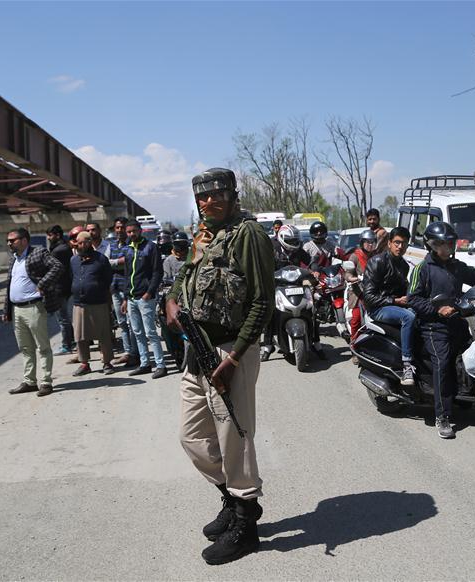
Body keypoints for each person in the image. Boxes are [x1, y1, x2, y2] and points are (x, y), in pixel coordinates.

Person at [166, 167, 274, 565]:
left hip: (231, 352)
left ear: (232, 195)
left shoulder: (248, 235)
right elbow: (185, 279)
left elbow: (262, 302)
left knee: (235, 438)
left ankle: (246, 523)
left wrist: (235, 357)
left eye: (216, 196)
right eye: (202, 198)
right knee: (192, 437)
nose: (208, 203)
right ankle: (232, 499)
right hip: (198, 352)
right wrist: (172, 300)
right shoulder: (204, 235)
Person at [408, 221, 475, 439]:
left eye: (450, 244)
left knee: (470, 357)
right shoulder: (422, 269)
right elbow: (413, 299)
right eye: (441, 245)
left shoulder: (457, 266)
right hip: (433, 327)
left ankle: (464, 396)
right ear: (431, 246)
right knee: (443, 366)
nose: (447, 248)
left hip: (458, 323)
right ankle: (442, 416)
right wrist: (437, 310)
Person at [2, 227, 63, 397]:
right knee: (25, 348)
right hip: (17, 310)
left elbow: (57, 267)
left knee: (42, 346)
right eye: (8, 240)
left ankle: (46, 382)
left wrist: (42, 284)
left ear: (24, 240)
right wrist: (6, 309)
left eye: (12, 240)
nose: (9, 243)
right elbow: (9, 286)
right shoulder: (13, 259)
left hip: (34, 307)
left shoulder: (38, 253)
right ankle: (29, 381)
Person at [360, 226, 416, 386]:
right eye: (397, 242)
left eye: (404, 243)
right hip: (377, 309)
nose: (400, 246)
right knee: (408, 317)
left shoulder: (404, 265)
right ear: (389, 243)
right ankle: (406, 366)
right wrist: (395, 301)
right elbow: (369, 297)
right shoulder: (377, 262)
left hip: (394, 306)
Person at [121, 219, 167, 379]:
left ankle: (161, 365)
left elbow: (157, 272)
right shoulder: (127, 249)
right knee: (137, 332)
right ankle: (145, 363)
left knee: (150, 333)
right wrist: (126, 297)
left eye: (134, 231)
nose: (131, 234)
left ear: (140, 231)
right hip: (132, 298)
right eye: (129, 232)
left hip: (145, 297)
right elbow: (127, 275)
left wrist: (149, 292)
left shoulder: (150, 247)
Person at [261, 224, 313, 361]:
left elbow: (310, 262)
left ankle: (316, 342)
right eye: (290, 241)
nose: (293, 244)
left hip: (297, 285)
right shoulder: (272, 248)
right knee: (270, 313)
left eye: (295, 241)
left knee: (311, 309)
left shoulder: (298, 251)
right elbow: (263, 265)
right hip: (277, 286)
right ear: (282, 238)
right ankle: (268, 346)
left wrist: (315, 270)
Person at [70, 231, 115, 376]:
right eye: (79, 242)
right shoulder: (73, 260)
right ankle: (84, 364)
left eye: (85, 242)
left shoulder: (101, 259)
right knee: (80, 335)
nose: (82, 245)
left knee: (103, 334)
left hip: (98, 303)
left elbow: (108, 279)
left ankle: (107, 362)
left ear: (90, 242)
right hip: (79, 304)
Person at [105, 217, 138, 368]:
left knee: (133, 323)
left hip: (130, 289)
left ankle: (135, 354)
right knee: (122, 323)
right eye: (116, 228)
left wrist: (115, 262)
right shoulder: (111, 245)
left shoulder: (132, 244)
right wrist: (119, 262)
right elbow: (106, 262)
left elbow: (131, 261)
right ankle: (127, 352)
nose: (119, 230)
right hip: (115, 287)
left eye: (121, 228)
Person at [160, 231, 190, 368]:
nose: (180, 248)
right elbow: (165, 277)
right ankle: (172, 348)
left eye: (183, 244)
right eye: (178, 245)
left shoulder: (192, 257)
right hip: (172, 295)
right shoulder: (169, 260)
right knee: (163, 318)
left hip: (189, 295)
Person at [46, 225, 75, 356]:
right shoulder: (64, 247)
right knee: (66, 318)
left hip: (60, 289)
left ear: (57, 235)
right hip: (66, 288)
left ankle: (66, 345)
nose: (48, 237)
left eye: (50, 235)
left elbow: (51, 270)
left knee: (63, 319)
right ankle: (71, 342)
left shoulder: (58, 250)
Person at [345, 229, 378, 343]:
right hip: (358, 292)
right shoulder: (355, 256)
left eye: (372, 241)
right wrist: (353, 278)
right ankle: (353, 343)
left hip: (375, 291)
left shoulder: (377, 255)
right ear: (362, 243)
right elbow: (348, 273)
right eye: (367, 242)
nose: (370, 244)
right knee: (356, 318)